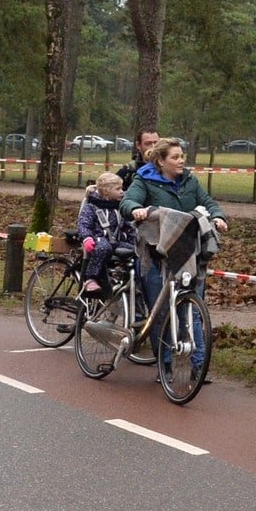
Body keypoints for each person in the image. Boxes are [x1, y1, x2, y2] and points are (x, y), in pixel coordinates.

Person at [120, 138, 228, 376]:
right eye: (175, 157)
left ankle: (199, 367)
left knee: (193, 310)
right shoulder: (144, 180)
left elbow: (207, 202)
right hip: (156, 256)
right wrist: (135, 209)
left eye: (182, 156)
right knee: (160, 314)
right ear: (161, 161)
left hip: (188, 254)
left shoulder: (190, 181)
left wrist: (218, 216)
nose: (181, 161)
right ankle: (165, 365)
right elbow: (127, 201)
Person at [77, 171, 134, 295]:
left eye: (122, 188)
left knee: (137, 251)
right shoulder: (91, 207)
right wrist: (87, 238)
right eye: (118, 189)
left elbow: (128, 227)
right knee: (103, 247)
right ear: (106, 191)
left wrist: (135, 240)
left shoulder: (119, 208)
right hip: (98, 239)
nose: (122, 192)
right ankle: (91, 278)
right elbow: (84, 224)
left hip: (116, 241)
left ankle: (132, 282)